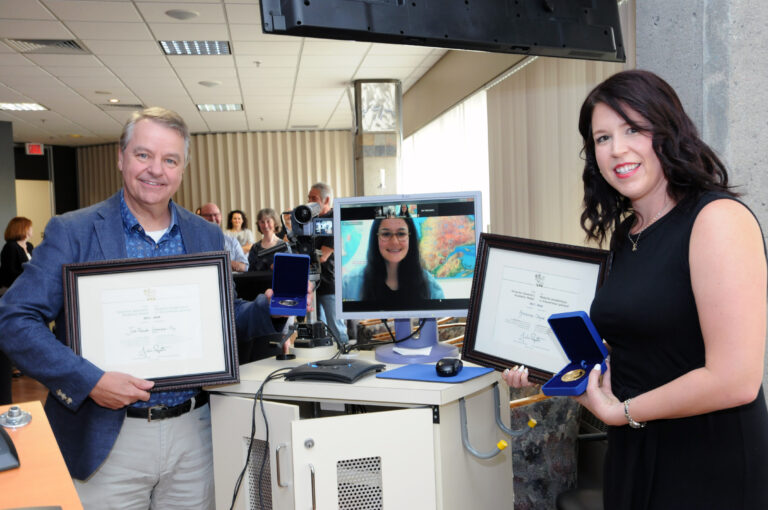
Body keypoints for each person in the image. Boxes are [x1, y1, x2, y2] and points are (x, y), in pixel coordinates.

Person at [0, 107, 296, 509]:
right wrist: (90, 380)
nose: (156, 170)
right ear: (121, 158)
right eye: (143, 155)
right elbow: (14, 320)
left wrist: (268, 308)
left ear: (182, 169)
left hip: (195, 436)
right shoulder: (74, 231)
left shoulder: (205, 234)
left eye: (169, 159)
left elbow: (224, 321)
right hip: (108, 440)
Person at [503, 70, 768, 509]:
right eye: (602, 138)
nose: (617, 149)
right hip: (636, 448)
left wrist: (620, 412)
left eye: (632, 129)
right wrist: (549, 366)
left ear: (667, 131)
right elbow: (645, 346)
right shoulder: (629, 233)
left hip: (708, 459)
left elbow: (736, 379)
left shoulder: (717, 219)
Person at [342, 216, 443, 304]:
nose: (394, 242)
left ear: (410, 238)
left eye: (401, 234)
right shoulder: (349, 284)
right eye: (386, 234)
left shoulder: (430, 286)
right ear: (375, 238)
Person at [308, 182, 349, 344]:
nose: (309, 201)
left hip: (329, 283)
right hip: (313, 285)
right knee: (319, 328)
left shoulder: (332, 219)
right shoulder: (312, 221)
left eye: (314, 198)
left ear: (327, 200)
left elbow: (323, 256)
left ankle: (346, 355)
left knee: (336, 327)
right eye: (308, 197)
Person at [199, 202, 249, 272]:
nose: (213, 218)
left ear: (220, 216)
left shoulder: (232, 242)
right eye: (208, 215)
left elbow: (245, 267)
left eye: (216, 215)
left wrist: (223, 262)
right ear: (200, 218)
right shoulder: (194, 241)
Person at [0, 216, 34, 290]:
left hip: (27, 284)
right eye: (30, 227)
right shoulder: (10, 247)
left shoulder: (29, 245)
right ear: (23, 229)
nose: (32, 229)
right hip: (12, 287)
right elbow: (10, 272)